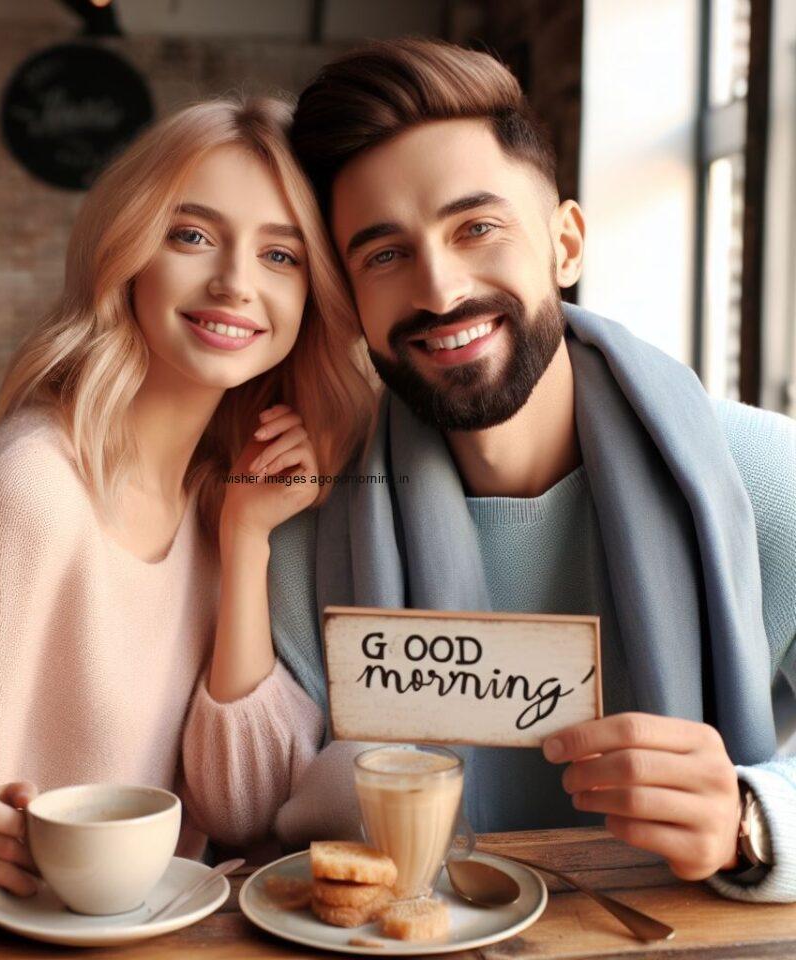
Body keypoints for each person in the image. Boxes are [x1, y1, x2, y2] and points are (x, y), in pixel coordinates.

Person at [267, 39, 796, 902]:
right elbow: (258, 808)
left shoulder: (762, 480)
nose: (439, 291)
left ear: (567, 242)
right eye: (385, 255)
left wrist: (753, 816)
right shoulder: (307, 531)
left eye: (476, 228)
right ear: (352, 300)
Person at [0, 96, 372, 896]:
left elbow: (248, 803)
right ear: (128, 253)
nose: (233, 282)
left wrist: (245, 539)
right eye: (192, 236)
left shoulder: (227, 501)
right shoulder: (31, 489)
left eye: (281, 256)